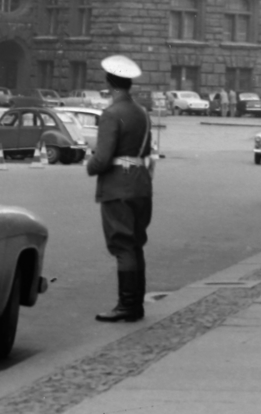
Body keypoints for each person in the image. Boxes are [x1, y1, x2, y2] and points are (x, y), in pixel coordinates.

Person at [87, 53, 154, 323]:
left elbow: (102, 159)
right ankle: (135, 304)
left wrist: (90, 166)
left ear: (109, 83)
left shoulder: (112, 114)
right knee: (136, 245)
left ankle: (126, 306)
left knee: (122, 245)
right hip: (141, 184)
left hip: (118, 186)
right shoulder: (142, 113)